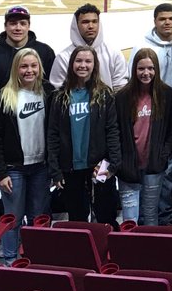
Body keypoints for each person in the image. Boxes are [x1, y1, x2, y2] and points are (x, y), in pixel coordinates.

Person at [0, 48, 52, 263]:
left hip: (40, 168)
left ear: (40, 68)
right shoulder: (4, 97)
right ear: (16, 68)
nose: (29, 70)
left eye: (33, 66)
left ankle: (36, 260)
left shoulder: (48, 93)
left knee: (38, 218)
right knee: (12, 219)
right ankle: (9, 261)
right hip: (13, 169)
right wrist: (0, 173)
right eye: (24, 66)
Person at [47, 45, 121, 224]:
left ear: (94, 65)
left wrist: (112, 164)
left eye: (88, 61)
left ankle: (107, 252)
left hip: (100, 166)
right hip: (71, 168)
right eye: (79, 61)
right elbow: (53, 134)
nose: (83, 65)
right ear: (71, 64)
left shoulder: (104, 95)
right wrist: (55, 171)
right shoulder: (60, 97)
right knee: (77, 219)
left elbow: (112, 130)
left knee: (106, 217)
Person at [115, 48, 172, 226]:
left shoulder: (167, 95)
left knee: (150, 218)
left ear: (156, 69)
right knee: (130, 220)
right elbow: (115, 131)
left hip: (154, 167)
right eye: (141, 68)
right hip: (128, 168)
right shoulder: (122, 97)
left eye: (150, 68)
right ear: (134, 70)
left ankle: (149, 253)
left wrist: (163, 154)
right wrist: (119, 161)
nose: (146, 73)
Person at [51, 3, 128, 88]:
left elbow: (121, 88)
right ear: (76, 25)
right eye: (85, 22)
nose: (91, 26)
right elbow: (57, 91)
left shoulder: (114, 54)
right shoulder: (63, 58)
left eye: (94, 21)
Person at [131, 3, 172, 90]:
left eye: (171, 19)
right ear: (155, 22)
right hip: (149, 99)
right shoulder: (141, 47)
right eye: (162, 19)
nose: (167, 22)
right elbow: (132, 77)